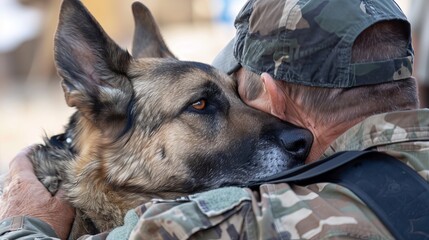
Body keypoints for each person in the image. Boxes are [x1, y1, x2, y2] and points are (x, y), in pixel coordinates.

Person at [1, 0, 429, 239]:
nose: (247, 116)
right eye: (205, 106)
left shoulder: (260, 222)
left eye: (242, 94)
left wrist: (20, 223)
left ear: (274, 94)